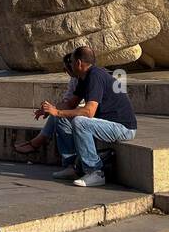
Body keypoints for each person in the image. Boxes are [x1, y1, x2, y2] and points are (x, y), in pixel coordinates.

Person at [32, 45, 136, 188]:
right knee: (60, 119)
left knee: (80, 121)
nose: (70, 65)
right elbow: (71, 104)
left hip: (123, 128)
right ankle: (71, 167)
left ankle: (95, 171)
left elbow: (89, 112)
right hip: (105, 123)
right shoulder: (84, 78)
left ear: (79, 63)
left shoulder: (95, 75)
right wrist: (50, 109)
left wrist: (58, 112)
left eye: (72, 61)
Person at [13, 51, 80, 155]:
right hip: (78, 111)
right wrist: (51, 108)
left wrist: (53, 109)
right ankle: (38, 142)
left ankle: (37, 143)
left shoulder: (84, 80)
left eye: (65, 69)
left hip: (88, 114)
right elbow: (68, 100)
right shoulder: (75, 79)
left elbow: (73, 104)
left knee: (59, 117)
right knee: (57, 116)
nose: (65, 72)